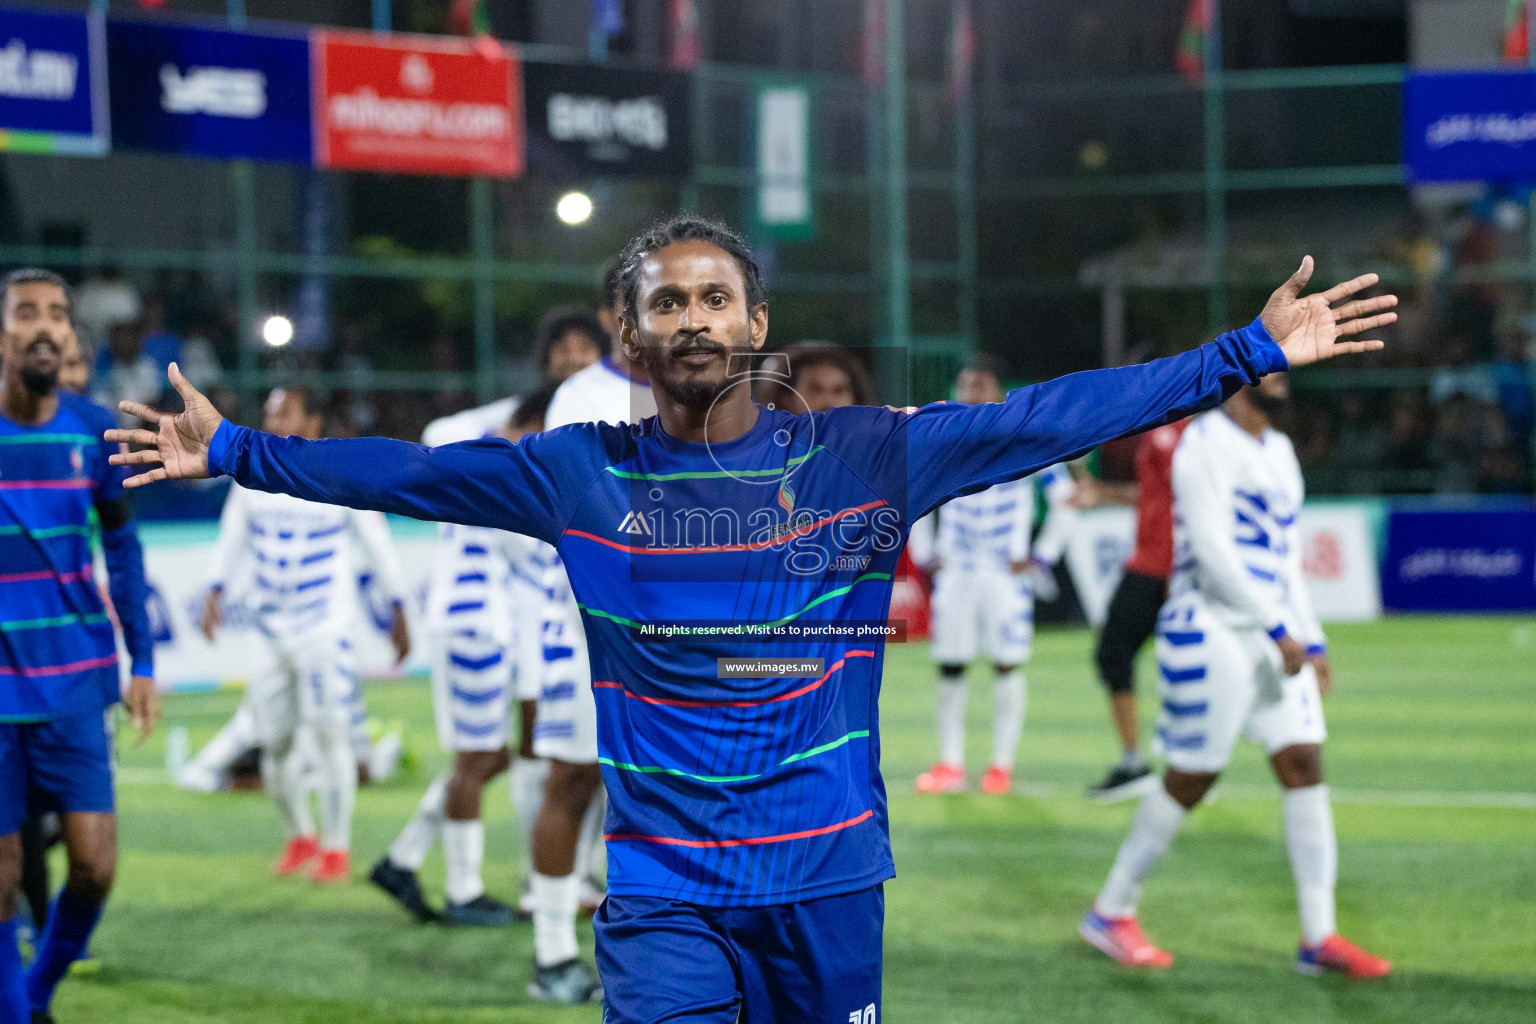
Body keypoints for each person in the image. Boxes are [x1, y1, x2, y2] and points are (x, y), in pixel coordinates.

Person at [108, 223, 1393, 1022]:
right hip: (662, 889)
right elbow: (397, 475)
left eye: (713, 297)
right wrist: (233, 449)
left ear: (756, 324)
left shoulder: (865, 454)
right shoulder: (578, 472)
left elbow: (1050, 415)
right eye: (664, 302)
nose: (691, 320)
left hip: (829, 879)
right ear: (630, 335)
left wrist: (1239, 351)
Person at [1078, 372, 1392, 979]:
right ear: (1236, 379)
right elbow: (1213, 552)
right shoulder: (1203, 442)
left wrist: (1312, 634)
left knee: (1303, 761)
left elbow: (1284, 556)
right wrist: (1279, 629)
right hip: (1210, 627)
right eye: (1265, 367)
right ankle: (1111, 910)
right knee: (1193, 777)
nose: (1279, 377)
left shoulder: (1279, 450)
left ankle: (1318, 936)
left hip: (1273, 632)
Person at [0, 268, 159, 1024]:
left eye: (56, 315)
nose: (44, 326)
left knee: (95, 868)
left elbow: (124, 553)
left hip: (76, 685)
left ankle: (31, 998)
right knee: (1, 880)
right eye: (25, 312)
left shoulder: (94, 432)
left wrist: (145, 661)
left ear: (69, 336)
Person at [199, 387, 411, 884]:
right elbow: (231, 538)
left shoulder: (336, 473)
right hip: (269, 630)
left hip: (325, 627)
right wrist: (213, 589)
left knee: (330, 732)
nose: (273, 422)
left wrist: (400, 604)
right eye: (269, 413)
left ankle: (336, 847)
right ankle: (300, 835)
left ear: (313, 422)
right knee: (274, 742)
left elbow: (376, 542)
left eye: (284, 413)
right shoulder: (249, 478)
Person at [370, 383, 559, 927]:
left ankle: (403, 859)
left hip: (475, 620)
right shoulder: (503, 465)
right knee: (475, 763)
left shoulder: (478, 455)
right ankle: (463, 891)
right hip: (477, 622)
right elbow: (527, 547)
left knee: (489, 758)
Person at [525, 265, 655, 1003]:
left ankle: (648, 945)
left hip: (674, 628)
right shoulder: (581, 396)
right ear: (613, 316)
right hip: (587, 621)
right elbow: (577, 504)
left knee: (654, 786)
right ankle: (550, 953)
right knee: (572, 780)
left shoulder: (699, 388)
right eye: (641, 303)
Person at [907, 355, 1077, 795]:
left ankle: (1001, 765)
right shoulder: (945, 442)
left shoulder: (1025, 442)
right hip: (958, 571)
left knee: (1006, 664)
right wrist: (925, 554)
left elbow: (1065, 499)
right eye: (965, 386)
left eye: (979, 386)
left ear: (999, 393)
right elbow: (915, 495)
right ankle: (950, 764)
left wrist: (1041, 556)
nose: (970, 394)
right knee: (950, 665)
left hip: (1005, 576)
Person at [1072, 415, 1193, 801]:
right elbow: (1154, 494)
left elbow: (1195, 497)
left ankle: (1151, 763)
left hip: (1163, 566)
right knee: (1120, 656)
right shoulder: (1175, 430)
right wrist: (1104, 494)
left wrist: (1183, 567)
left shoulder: (1178, 431)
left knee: (1117, 653)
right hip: (1155, 562)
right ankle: (1163, 764)